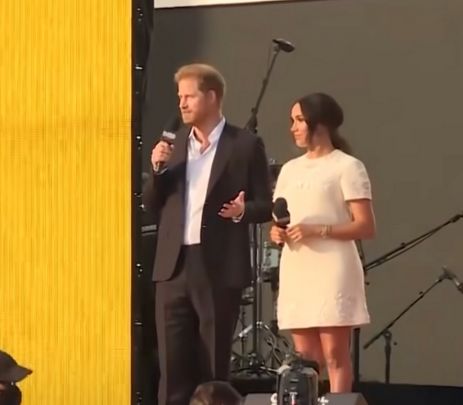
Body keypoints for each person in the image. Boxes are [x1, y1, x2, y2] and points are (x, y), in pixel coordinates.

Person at [143, 63, 272, 405]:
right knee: (171, 367)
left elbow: (265, 205)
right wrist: (156, 170)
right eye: (179, 97)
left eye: (189, 96)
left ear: (212, 97)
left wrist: (243, 210)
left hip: (218, 266)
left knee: (213, 366)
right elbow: (152, 204)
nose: (182, 104)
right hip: (173, 267)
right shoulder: (173, 147)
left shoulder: (244, 145)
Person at [269, 93, 376, 393]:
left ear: (320, 124)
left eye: (299, 120)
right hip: (298, 267)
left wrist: (319, 230)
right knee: (305, 357)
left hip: (332, 267)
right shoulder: (290, 169)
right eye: (292, 120)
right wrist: (276, 233)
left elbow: (365, 226)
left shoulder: (347, 166)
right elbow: (281, 216)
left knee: (334, 354)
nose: (293, 127)